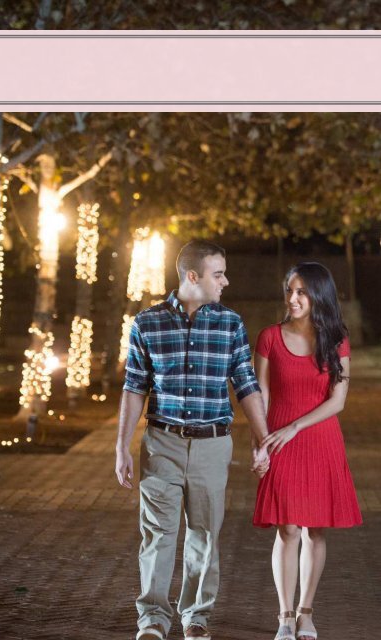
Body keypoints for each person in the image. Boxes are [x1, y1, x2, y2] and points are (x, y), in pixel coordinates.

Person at [116, 240, 269, 640]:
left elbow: (245, 384)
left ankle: (196, 616)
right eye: (218, 274)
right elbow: (134, 387)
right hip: (161, 443)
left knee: (204, 534)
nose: (226, 281)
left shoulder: (231, 323)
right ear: (193, 276)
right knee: (158, 534)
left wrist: (262, 437)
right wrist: (121, 447)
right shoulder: (147, 323)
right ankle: (152, 618)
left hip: (212, 445)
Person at [252, 262, 362, 640]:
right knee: (287, 530)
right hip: (278, 441)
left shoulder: (337, 339)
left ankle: (305, 614)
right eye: (290, 291)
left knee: (316, 530)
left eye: (302, 292)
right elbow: (260, 396)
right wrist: (260, 443)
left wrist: (296, 426)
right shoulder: (268, 337)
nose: (294, 298)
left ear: (318, 296)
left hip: (319, 439)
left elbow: (339, 400)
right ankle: (284, 616)